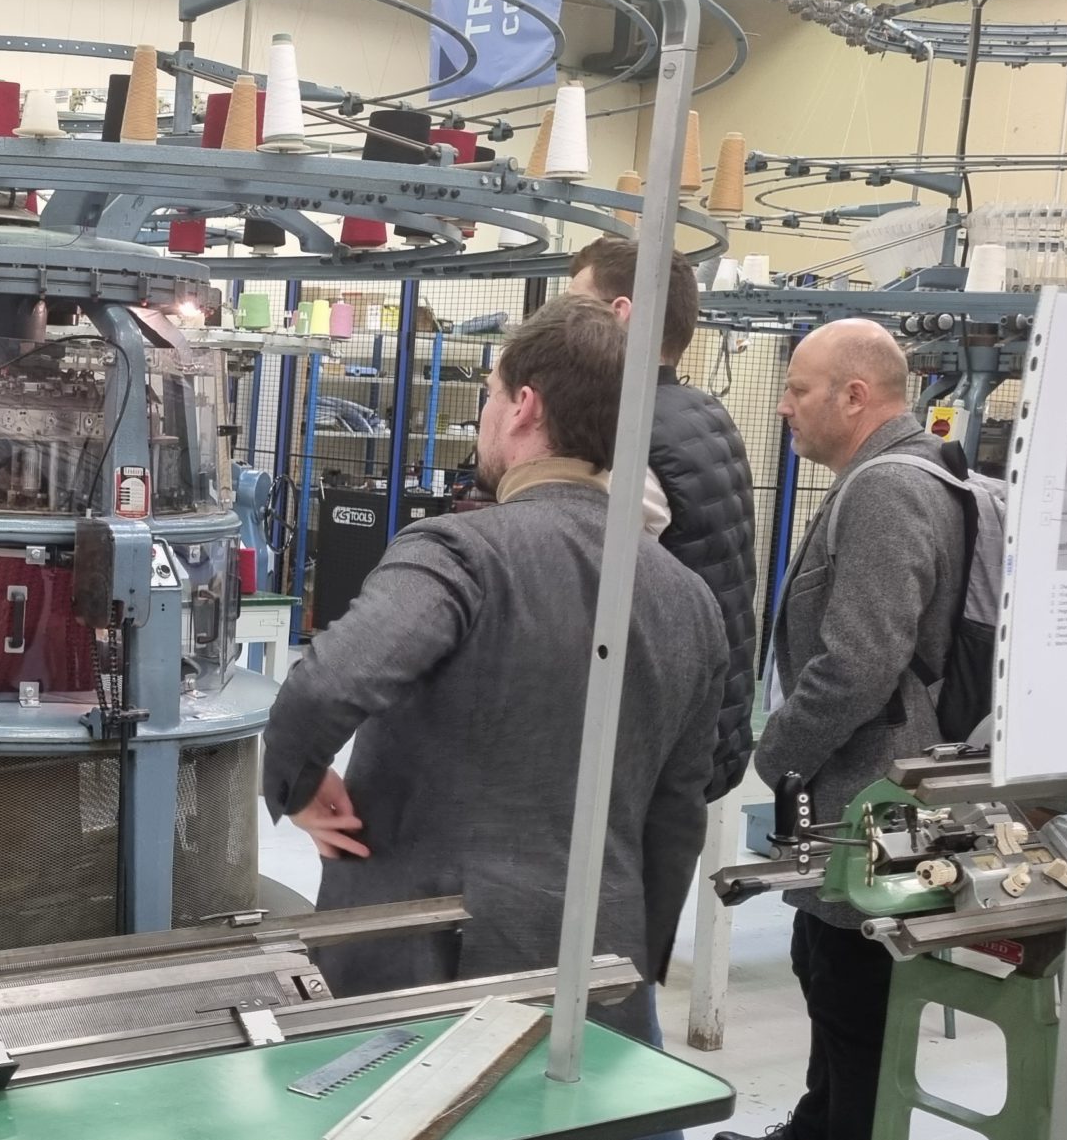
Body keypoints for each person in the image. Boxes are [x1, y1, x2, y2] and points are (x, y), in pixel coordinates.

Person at [259, 295, 727, 1047]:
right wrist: (631, 958)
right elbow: (676, 818)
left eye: (490, 394)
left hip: (426, 964)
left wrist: (297, 785)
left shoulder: (461, 553)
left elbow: (326, 683)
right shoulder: (690, 598)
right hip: (595, 966)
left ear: (524, 407)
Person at [718, 319, 961, 1140]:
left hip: (876, 791)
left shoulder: (888, 488)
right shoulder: (901, 473)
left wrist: (776, 750)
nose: (782, 405)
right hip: (868, 787)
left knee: (855, 988)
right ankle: (816, 1123)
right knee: (820, 958)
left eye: (797, 389)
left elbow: (860, 662)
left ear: (854, 396)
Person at [569, 238, 758, 801]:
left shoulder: (631, 437)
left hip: (651, 748)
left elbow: (583, 595)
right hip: (711, 718)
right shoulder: (704, 413)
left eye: (573, 307)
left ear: (619, 314)